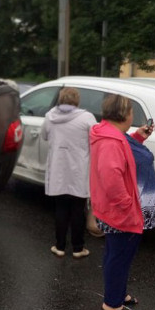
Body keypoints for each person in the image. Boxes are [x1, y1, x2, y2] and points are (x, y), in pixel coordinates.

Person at [89, 94, 155, 310]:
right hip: (120, 211)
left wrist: (138, 136)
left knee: (116, 254)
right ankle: (111, 305)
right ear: (124, 114)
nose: (132, 116)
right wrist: (127, 204)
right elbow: (110, 177)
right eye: (131, 112)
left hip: (113, 209)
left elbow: (123, 151)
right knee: (119, 257)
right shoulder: (111, 141)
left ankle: (118, 292)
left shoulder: (111, 134)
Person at [41, 87, 97, 259]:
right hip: (79, 171)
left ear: (60, 99)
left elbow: (44, 136)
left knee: (61, 209)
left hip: (58, 170)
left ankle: (59, 247)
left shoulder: (50, 117)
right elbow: (95, 138)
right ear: (77, 101)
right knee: (78, 210)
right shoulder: (87, 118)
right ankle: (78, 249)